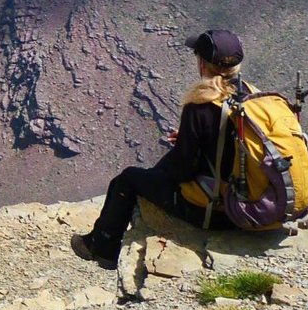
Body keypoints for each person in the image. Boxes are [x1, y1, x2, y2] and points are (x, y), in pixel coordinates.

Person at [71, 29, 247, 269]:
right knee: (159, 166)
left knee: (128, 179)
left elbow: (183, 171)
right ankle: (101, 243)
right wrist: (190, 140)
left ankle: (102, 248)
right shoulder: (250, 96)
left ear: (204, 65)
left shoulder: (201, 107)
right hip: (250, 202)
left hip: (218, 212)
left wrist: (185, 147)